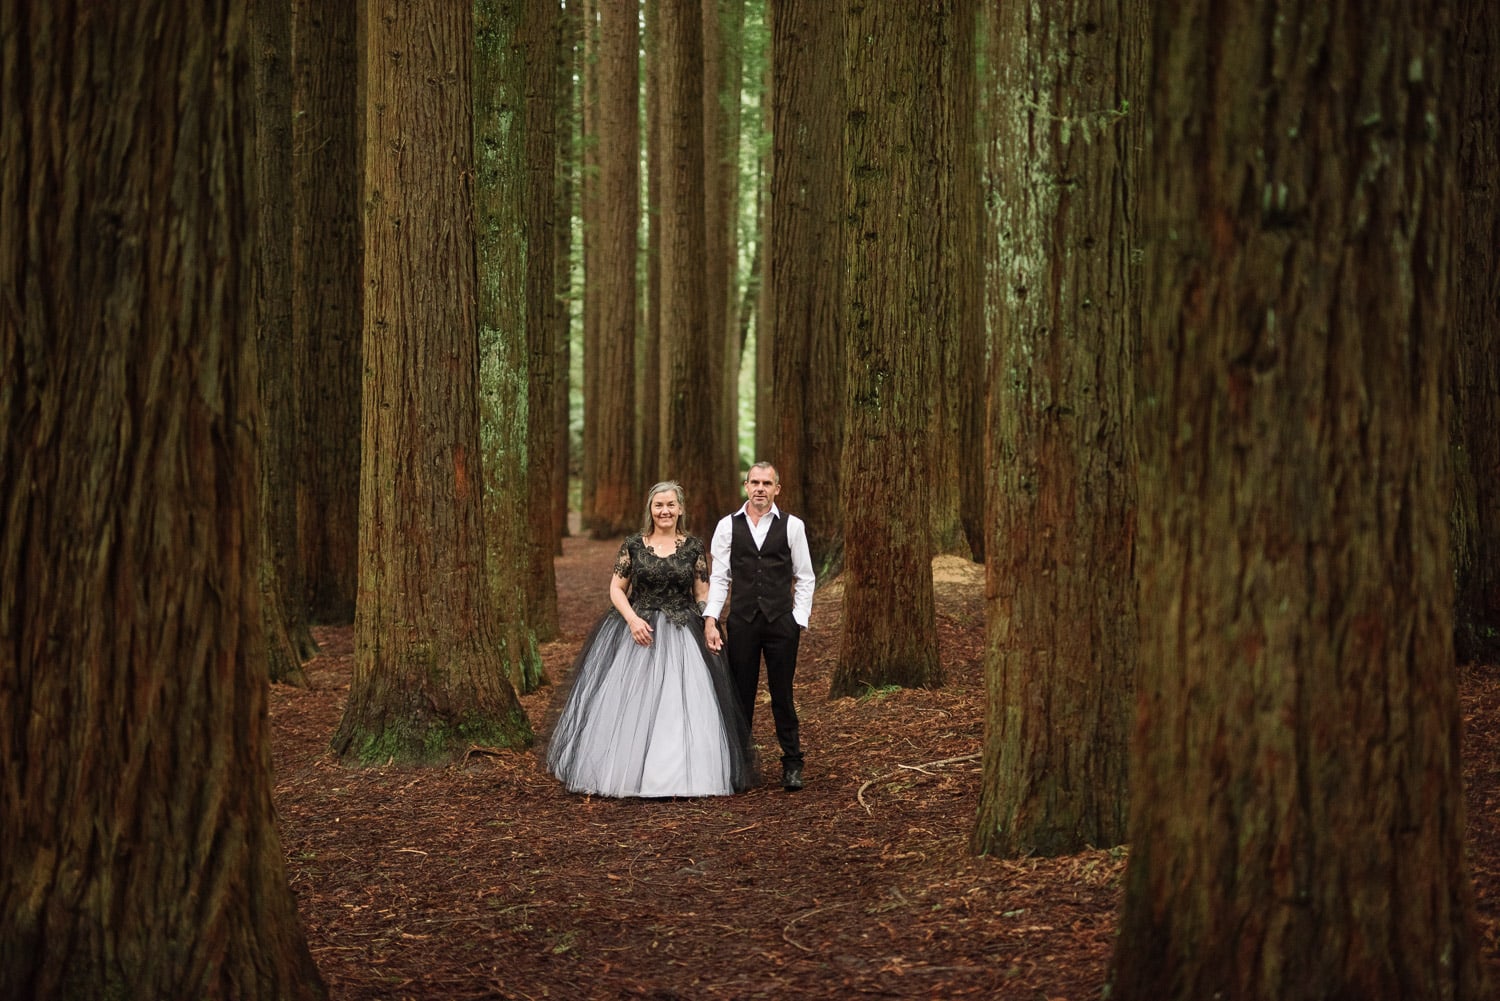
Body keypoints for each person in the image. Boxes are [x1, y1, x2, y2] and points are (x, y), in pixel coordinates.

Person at [546, 481, 759, 798]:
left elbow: (702, 593)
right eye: (659, 505)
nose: (665, 511)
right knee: (630, 704)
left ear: (680, 509)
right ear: (650, 509)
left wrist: (709, 622)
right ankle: (628, 774)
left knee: (684, 702)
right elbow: (617, 589)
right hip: (637, 632)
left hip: (683, 630)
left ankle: (681, 776)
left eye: (671, 505)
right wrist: (632, 619)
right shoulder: (633, 545)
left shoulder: (693, 547)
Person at [703, 462, 815, 792]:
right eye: (755, 482)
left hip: (782, 623)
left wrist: (798, 619)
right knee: (741, 695)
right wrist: (712, 617)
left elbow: (805, 576)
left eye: (767, 483)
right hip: (742, 622)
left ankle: (792, 763)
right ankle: (738, 766)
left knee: (783, 693)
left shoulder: (793, 526)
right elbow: (720, 577)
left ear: (777, 488)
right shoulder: (727, 526)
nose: (760, 488)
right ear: (745, 486)